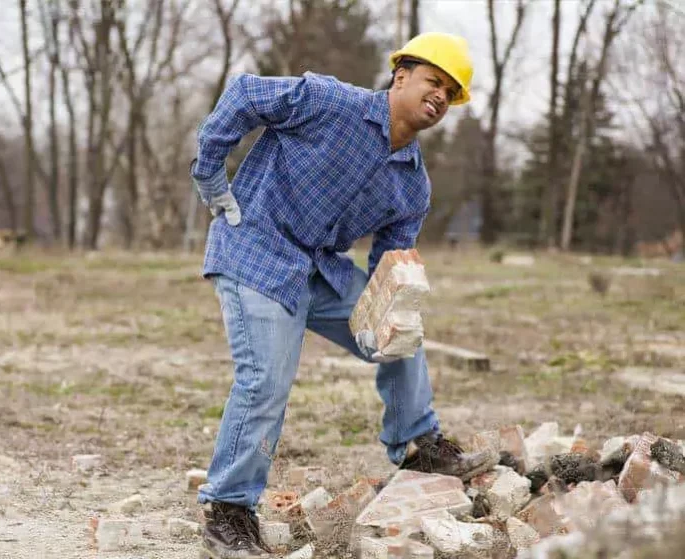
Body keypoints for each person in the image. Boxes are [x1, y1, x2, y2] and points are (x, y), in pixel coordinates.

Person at [190, 32, 490, 559]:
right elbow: (244, 94)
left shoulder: (412, 186)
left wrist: (393, 309)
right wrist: (211, 170)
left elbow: (387, 276)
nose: (441, 96)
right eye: (433, 81)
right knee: (266, 380)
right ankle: (229, 512)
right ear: (401, 76)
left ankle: (417, 443)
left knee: (402, 331)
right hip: (256, 249)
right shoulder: (329, 102)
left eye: (451, 91)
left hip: (320, 270)